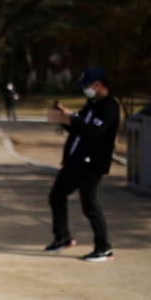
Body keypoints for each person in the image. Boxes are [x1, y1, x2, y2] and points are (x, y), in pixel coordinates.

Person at [44, 67, 120, 261]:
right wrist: (63, 118)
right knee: (57, 196)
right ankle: (62, 238)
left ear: (97, 84)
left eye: (87, 85)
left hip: (91, 165)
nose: (85, 89)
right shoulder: (92, 103)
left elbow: (94, 133)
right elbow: (80, 129)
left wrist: (74, 117)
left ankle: (104, 248)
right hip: (75, 161)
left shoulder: (109, 107)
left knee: (90, 205)